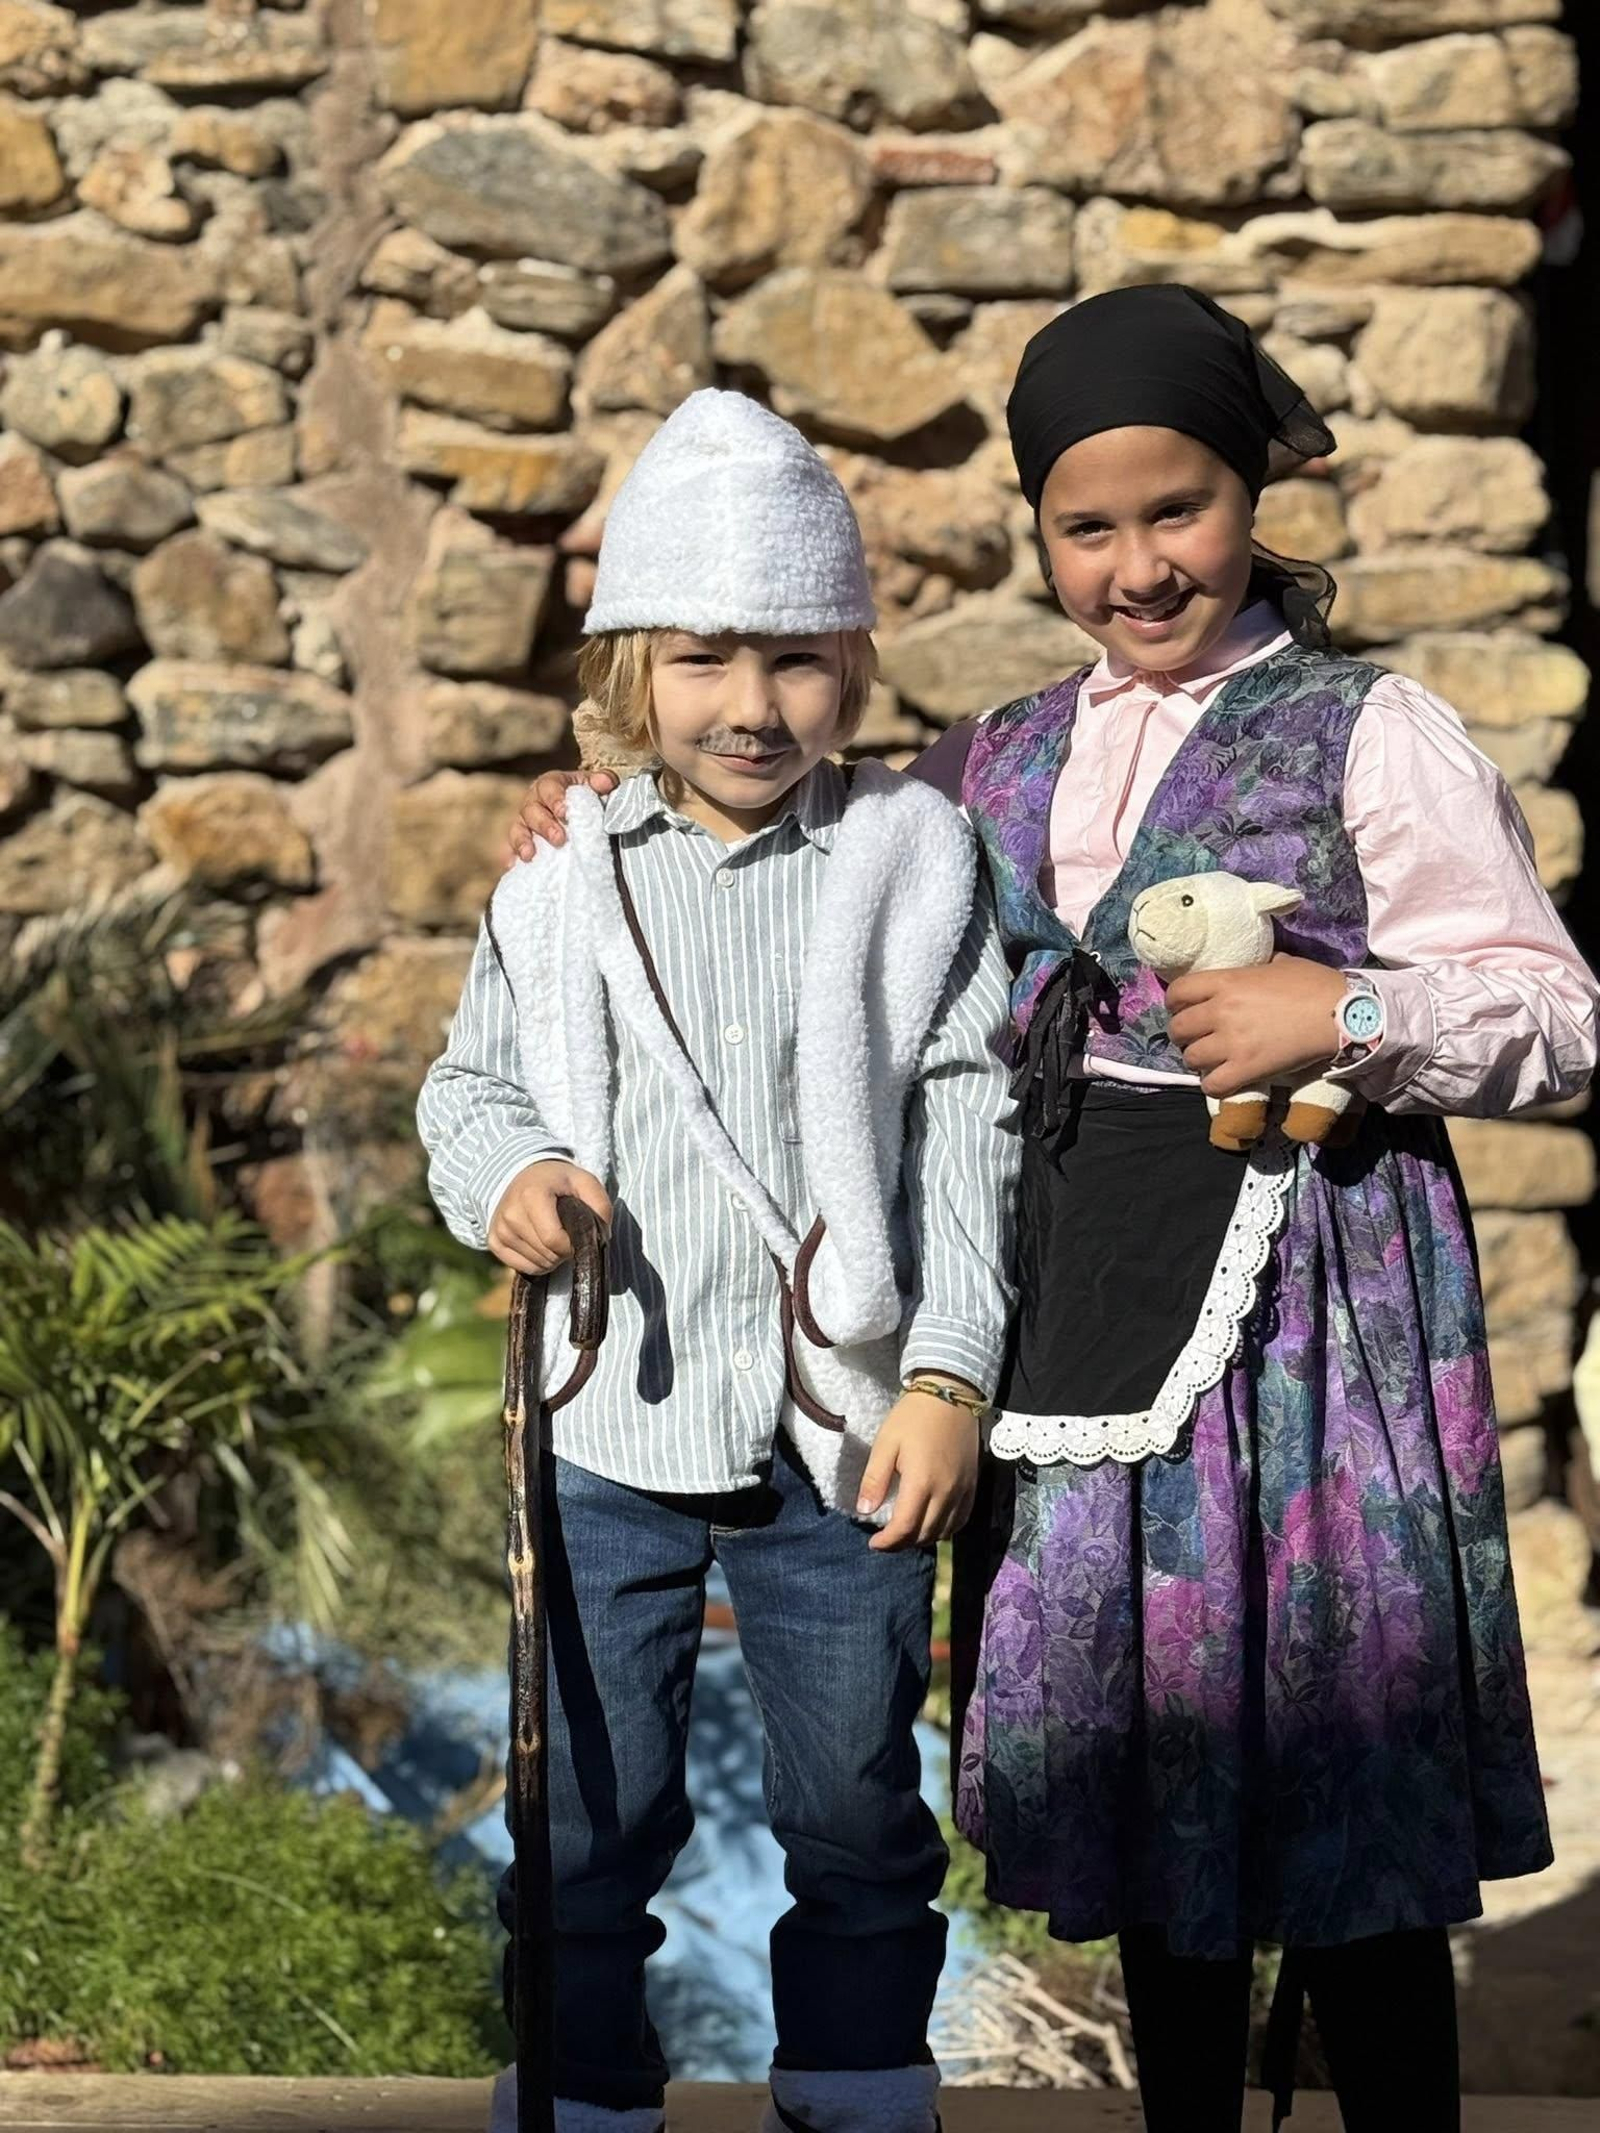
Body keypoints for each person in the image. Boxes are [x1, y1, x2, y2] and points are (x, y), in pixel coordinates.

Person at [509, 291, 1600, 2133]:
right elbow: (790, 862)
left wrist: (1346, 1009)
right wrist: (589, 807)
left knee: (1328, 1759)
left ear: (1249, 497)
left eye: (1176, 511)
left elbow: (1559, 1017)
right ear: (1038, 535)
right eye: (1086, 529)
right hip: (1068, 1315)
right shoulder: (985, 764)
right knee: (1152, 1770)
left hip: (1308, 1325)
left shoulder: (1365, 730)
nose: (1138, 563)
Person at [419, 388, 1018, 2133]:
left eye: (799, 659)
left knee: (851, 1803)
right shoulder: (564, 878)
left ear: (855, 660)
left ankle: (850, 2085)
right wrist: (515, 1170)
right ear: (630, 667)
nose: (753, 706)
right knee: (588, 1809)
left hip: (844, 1428)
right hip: (612, 1416)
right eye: (704, 659)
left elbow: (967, 1128)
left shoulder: (915, 861)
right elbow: (475, 1082)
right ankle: (590, 2093)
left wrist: (948, 1374)